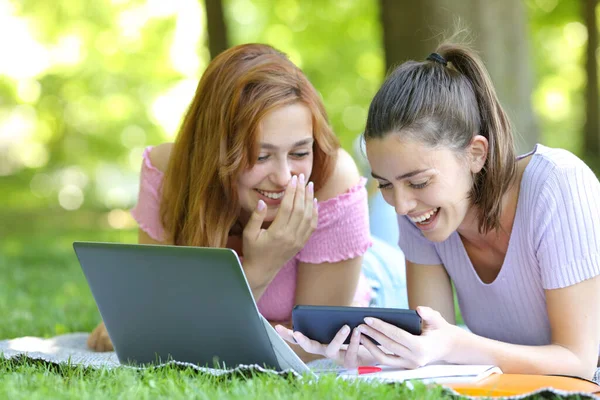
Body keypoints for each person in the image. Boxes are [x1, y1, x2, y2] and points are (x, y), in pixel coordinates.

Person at [276, 42, 600, 382]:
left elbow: (578, 360)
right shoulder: (425, 214)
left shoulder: (557, 185)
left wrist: (455, 343)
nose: (400, 205)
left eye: (417, 182)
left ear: (476, 153)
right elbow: (433, 349)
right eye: (385, 184)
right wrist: (380, 352)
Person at [87, 43, 403, 361]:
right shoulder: (171, 172)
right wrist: (257, 271)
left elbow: (315, 344)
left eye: (299, 152)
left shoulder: (332, 177)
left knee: (400, 214)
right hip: (344, 256)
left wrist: (259, 272)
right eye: (260, 155)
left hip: (377, 285)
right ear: (215, 149)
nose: (283, 176)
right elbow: (158, 314)